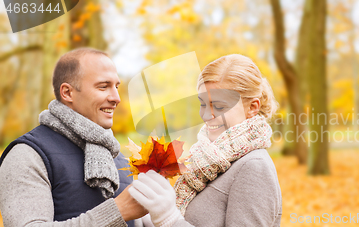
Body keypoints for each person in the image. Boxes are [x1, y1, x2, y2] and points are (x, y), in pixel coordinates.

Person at [128, 54, 283, 226]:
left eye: (218, 106)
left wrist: (169, 219)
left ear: (252, 107)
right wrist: (145, 214)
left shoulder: (254, 167)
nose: (206, 115)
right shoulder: (204, 161)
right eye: (203, 104)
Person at [0, 48, 149, 226]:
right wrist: (117, 211)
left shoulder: (119, 159)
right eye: (103, 86)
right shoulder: (28, 154)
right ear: (67, 93)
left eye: (116, 87)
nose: (116, 98)